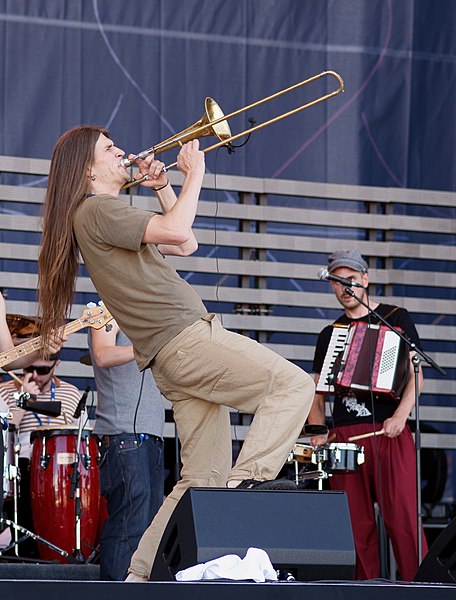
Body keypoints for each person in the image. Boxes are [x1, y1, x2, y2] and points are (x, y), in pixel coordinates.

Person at [36, 125, 315, 581]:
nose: (122, 151)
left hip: (174, 354)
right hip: (187, 340)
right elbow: (179, 228)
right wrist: (196, 172)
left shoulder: (102, 213)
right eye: (110, 149)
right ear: (88, 170)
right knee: (293, 385)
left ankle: (139, 576)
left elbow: (185, 243)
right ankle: (241, 496)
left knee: (197, 480)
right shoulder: (98, 209)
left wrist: (166, 187)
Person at [308, 249, 428, 581]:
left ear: (364, 280)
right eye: (336, 281)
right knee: (355, 526)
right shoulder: (329, 334)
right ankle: (366, 592)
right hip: (345, 437)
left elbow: (417, 375)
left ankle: (422, 588)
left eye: (350, 280)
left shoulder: (396, 318)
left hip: (390, 431)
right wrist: (318, 431)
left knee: (403, 521)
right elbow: (317, 390)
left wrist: (401, 417)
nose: (344, 287)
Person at [89, 320, 165, 580]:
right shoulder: (107, 310)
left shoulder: (142, 313)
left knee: (148, 528)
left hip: (152, 438)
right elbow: (101, 354)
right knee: (129, 524)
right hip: (124, 437)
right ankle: (117, 592)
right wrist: (148, 347)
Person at [0, 352, 81, 556]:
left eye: (43, 370)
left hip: (57, 469)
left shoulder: (69, 393)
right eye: (28, 369)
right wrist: (23, 401)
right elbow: (5, 432)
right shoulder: (5, 391)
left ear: (56, 366)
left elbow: (76, 439)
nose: (35, 375)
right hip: (18, 464)